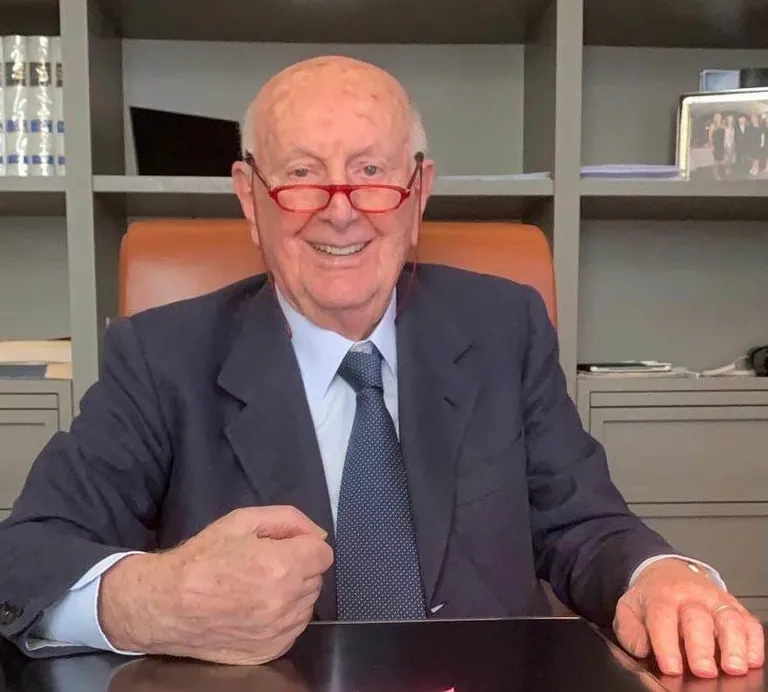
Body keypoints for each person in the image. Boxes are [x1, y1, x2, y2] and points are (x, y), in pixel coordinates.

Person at [0, 56, 763, 679]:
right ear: (251, 198)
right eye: (303, 174)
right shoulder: (159, 355)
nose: (341, 209)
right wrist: (155, 601)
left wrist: (659, 576)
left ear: (417, 193)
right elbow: (25, 554)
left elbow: (583, 524)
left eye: (371, 171)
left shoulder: (505, 326)